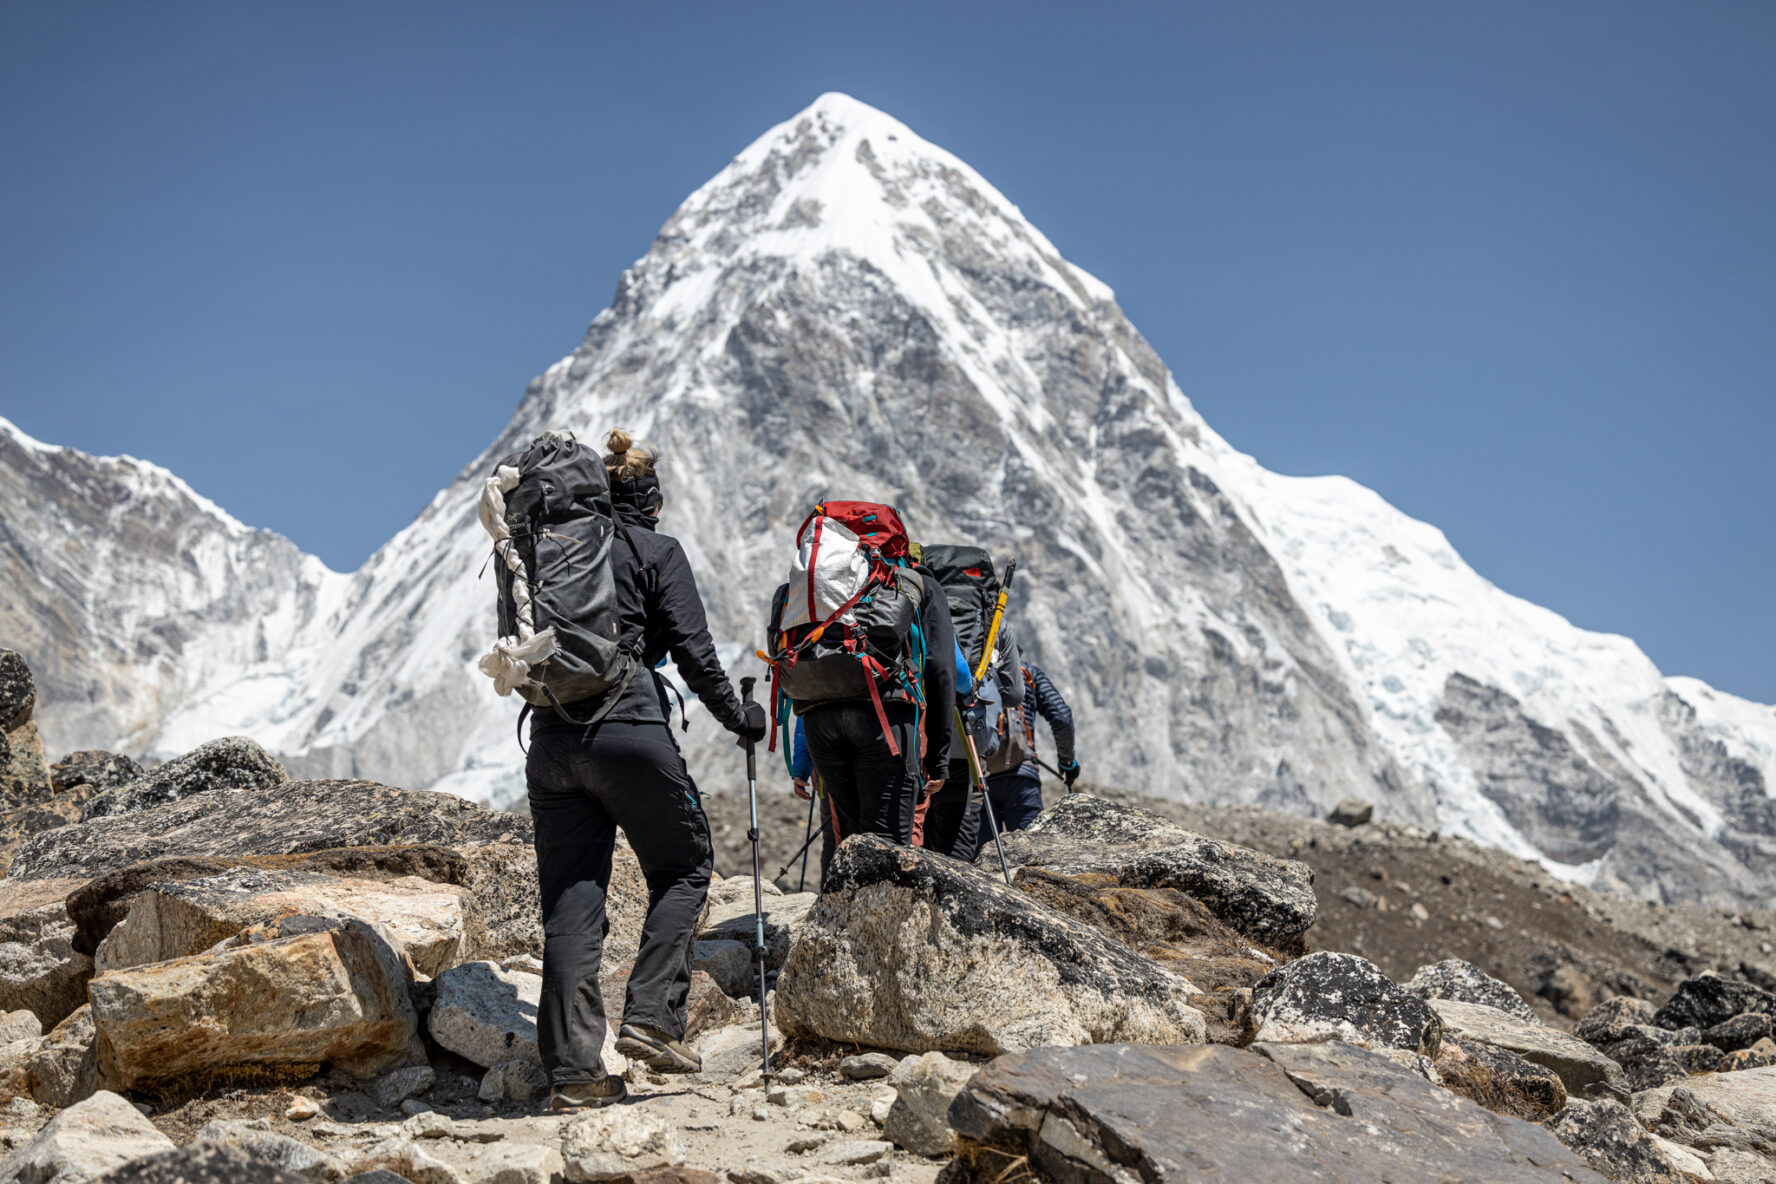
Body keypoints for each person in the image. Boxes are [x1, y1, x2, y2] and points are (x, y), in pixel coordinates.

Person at [525, 429, 767, 1111]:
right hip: (628, 725)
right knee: (684, 866)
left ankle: (574, 1075)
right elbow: (693, 651)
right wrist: (740, 717)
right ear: (652, 501)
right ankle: (652, 1019)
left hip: (549, 737)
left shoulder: (561, 553)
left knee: (572, 900)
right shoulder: (656, 549)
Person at [790, 540, 958, 880]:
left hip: (820, 725)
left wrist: (800, 759)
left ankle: (841, 927)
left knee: (849, 841)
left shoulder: (829, 590)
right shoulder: (916, 582)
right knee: (888, 846)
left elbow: (814, 673)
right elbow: (942, 671)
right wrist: (938, 758)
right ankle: (882, 928)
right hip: (885, 721)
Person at [977, 661, 1078, 851]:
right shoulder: (1027, 672)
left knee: (983, 858)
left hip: (979, 779)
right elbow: (1062, 717)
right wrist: (1067, 761)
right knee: (1030, 854)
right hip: (1022, 778)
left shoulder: (973, 669)